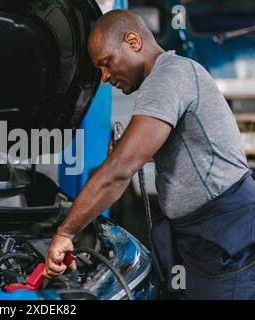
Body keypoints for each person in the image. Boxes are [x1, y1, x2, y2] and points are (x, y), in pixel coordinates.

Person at [43, 9, 255, 299]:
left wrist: (65, 233)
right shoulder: (170, 76)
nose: (104, 77)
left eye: (107, 63)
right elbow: (192, 149)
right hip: (206, 236)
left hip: (225, 237)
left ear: (133, 41)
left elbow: (119, 172)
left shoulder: (169, 76)